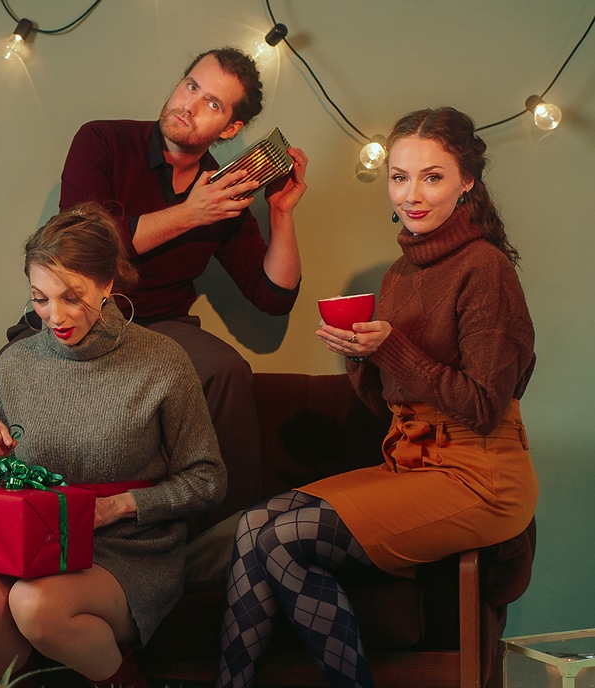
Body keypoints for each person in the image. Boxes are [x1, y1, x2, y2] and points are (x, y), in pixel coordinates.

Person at [215, 107, 538, 688]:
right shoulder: (398, 275)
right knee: (254, 527)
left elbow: (484, 406)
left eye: (432, 176)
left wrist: (391, 350)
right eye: (399, 176)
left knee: (279, 537)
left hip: (480, 478)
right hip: (409, 465)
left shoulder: (485, 269)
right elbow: (386, 402)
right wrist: (360, 355)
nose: (411, 194)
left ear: (467, 182)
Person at [0, 47, 308, 526]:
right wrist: (192, 212)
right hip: (79, 313)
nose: (189, 105)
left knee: (228, 371)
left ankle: (233, 540)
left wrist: (281, 213)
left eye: (213, 103)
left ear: (230, 128)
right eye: (191, 85)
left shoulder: (223, 191)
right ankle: (17, 520)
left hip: (160, 326)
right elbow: (83, 238)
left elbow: (274, 296)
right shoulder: (102, 140)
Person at [0, 203, 228, 688]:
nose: (54, 316)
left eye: (71, 296)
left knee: (34, 603)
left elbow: (208, 480)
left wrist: (121, 506)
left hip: (127, 550)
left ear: (107, 285)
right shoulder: (16, 364)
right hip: (32, 549)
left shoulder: (161, 360)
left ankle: (126, 681)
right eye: (39, 298)